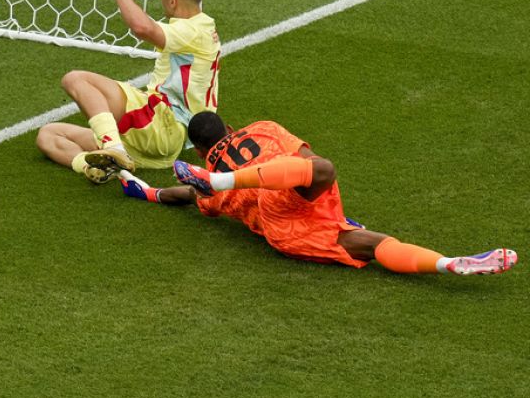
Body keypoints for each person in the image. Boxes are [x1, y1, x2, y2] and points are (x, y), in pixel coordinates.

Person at [121, 112, 517, 276]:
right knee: (323, 170)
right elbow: (304, 156)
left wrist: (150, 192)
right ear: (228, 126)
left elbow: (184, 196)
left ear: (200, 151)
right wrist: (310, 186)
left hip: (280, 226)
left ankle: (450, 263)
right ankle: (446, 261)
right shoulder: (263, 128)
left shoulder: (201, 190)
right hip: (289, 187)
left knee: (365, 242)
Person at [36, 0, 220, 183]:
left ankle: (114, 148)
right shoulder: (201, 26)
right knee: (49, 135)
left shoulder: (191, 31)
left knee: (76, 80)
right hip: (161, 143)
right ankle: (99, 168)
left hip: (164, 124)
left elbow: (142, 27)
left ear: (172, 2)